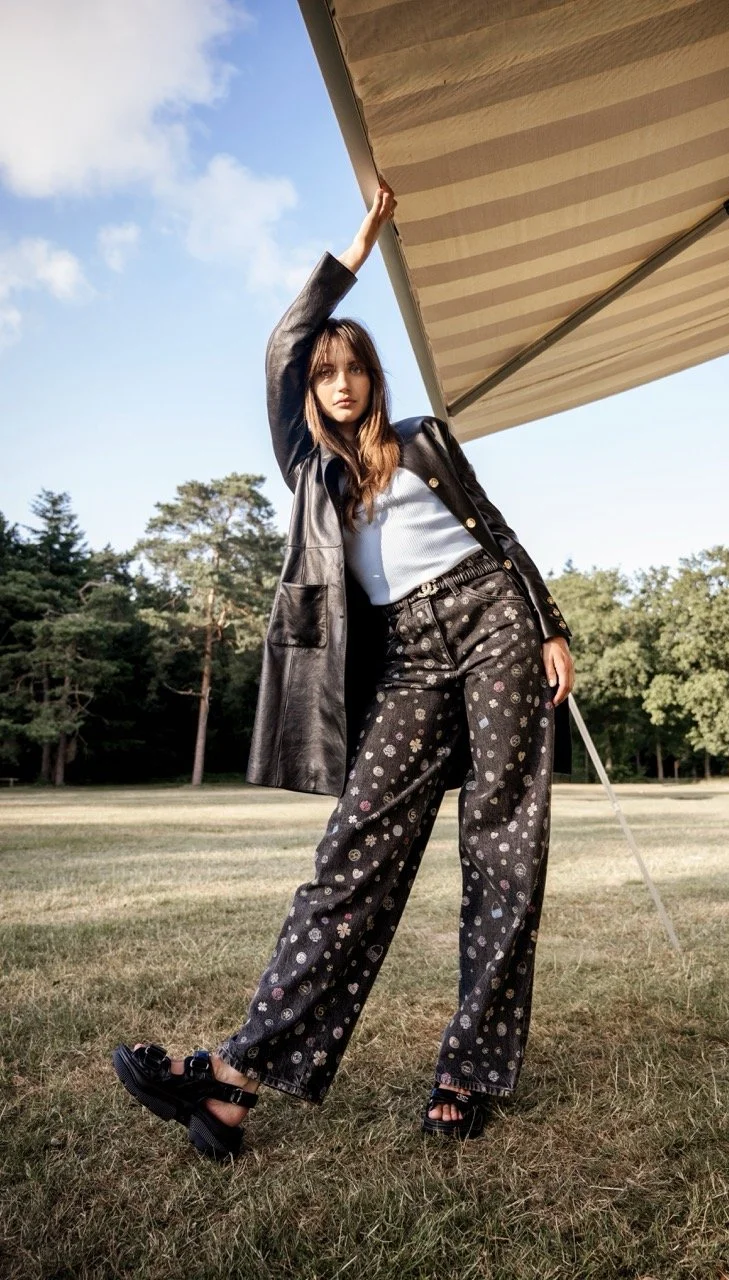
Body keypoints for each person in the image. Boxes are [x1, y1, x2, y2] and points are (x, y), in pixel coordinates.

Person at [112, 182, 575, 1161]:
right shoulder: (308, 470)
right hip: (405, 657)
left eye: (351, 365)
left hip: (491, 617)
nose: (336, 380)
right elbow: (283, 343)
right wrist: (356, 249)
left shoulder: (423, 444)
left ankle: (466, 1070)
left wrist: (548, 623)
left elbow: (497, 535)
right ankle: (232, 1083)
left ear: (372, 376)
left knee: (504, 847)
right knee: (350, 863)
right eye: (325, 371)